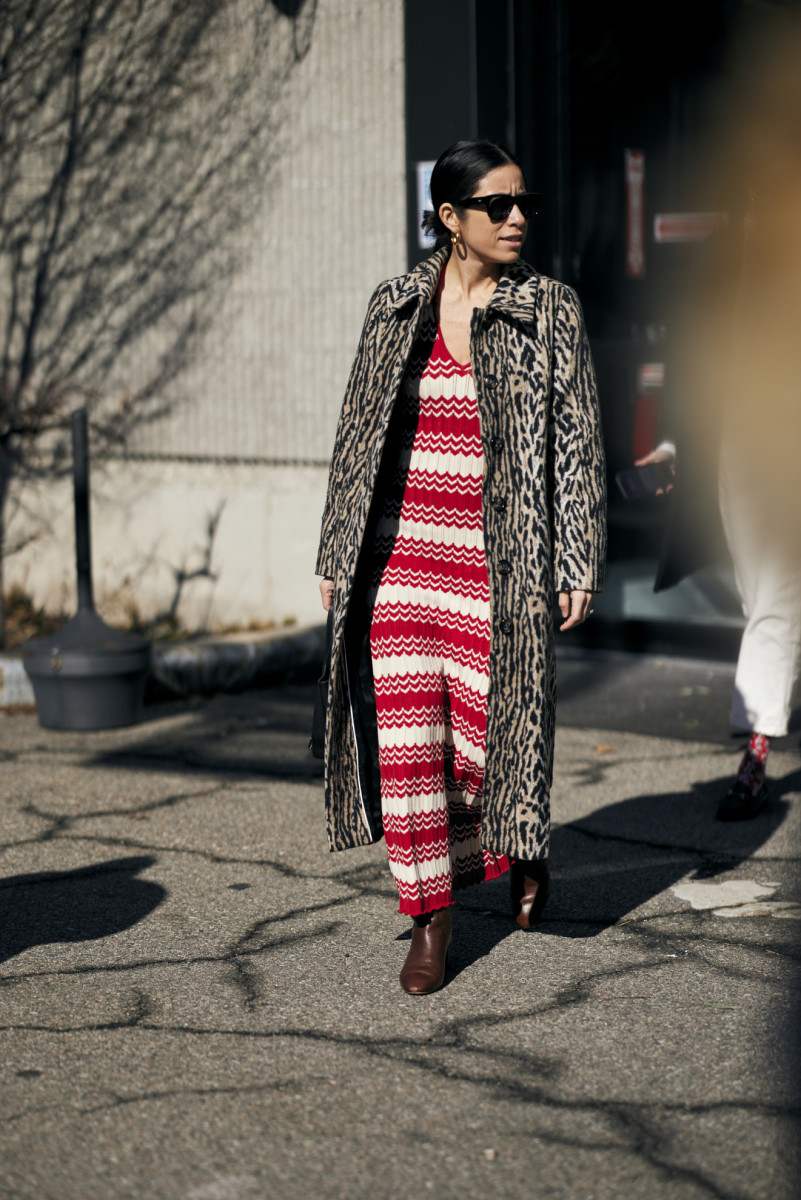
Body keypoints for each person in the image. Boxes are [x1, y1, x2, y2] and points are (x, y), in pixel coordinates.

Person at [316, 140, 606, 994]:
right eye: (496, 206)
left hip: (496, 568)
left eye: (524, 203)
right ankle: (430, 920)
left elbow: (577, 447)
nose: (517, 219)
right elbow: (355, 435)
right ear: (450, 218)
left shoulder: (549, 308)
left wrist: (575, 555)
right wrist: (337, 549)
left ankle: (517, 843)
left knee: (489, 748)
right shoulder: (395, 304)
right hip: (398, 566)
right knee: (410, 755)